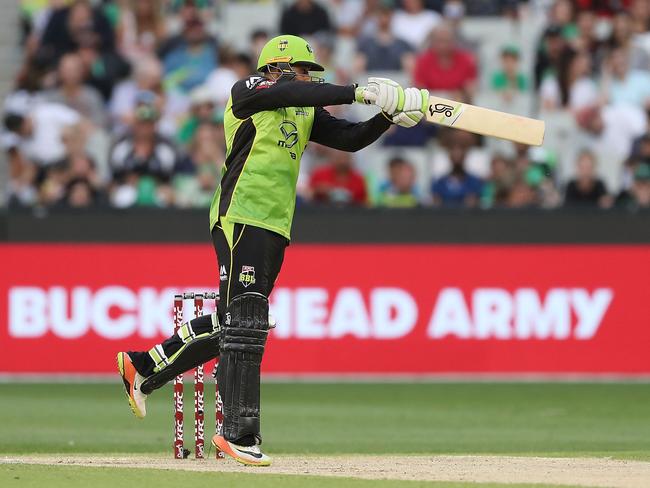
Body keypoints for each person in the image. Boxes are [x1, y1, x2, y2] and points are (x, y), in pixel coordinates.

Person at [116, 34, 428, 466]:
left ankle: (144, 367)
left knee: (238, 321)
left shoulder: (302, 110)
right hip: (240, 214)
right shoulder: (247, 93)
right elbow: (290, 91)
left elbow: (351, 139)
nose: (306, 78)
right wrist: (357, 90)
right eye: (302, 69)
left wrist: (387, 117)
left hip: (276, 224)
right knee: (244, 322)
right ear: (277, 67)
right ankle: (238, 434)